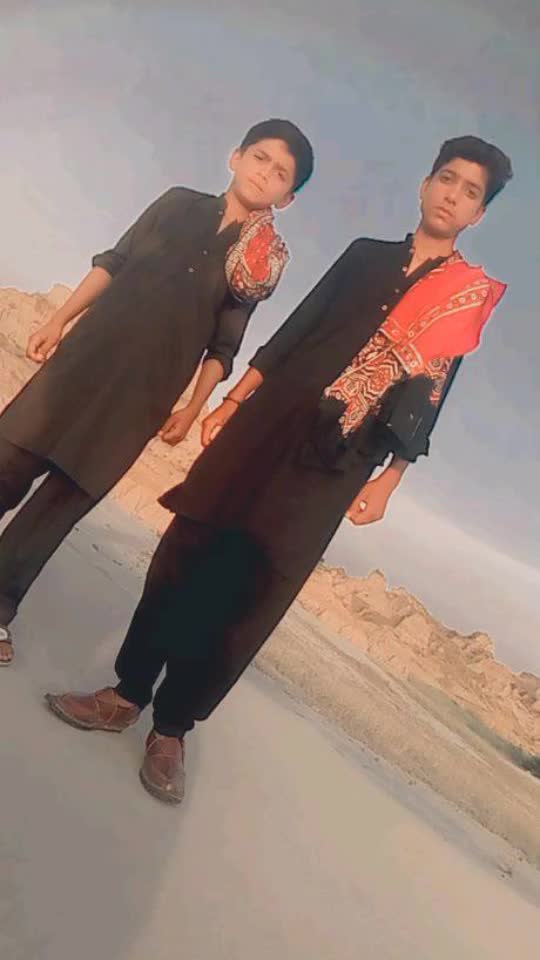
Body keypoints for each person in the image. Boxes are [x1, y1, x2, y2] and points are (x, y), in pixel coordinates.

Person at [47, 136, 513, 804]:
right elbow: (298, 328)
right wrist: (234, 400)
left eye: (470, 192)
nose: (452, 196)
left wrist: (390, 477)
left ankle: (173, 727)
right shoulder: (365, 256)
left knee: (251, 591)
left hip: (340, 459)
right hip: (267, 421)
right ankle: (126, 693)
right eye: (447, 179)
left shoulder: (460, 298)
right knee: (186, 549)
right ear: (424, 185)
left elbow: (430, 393)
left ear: (479, 213)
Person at [0, 118, 315, 666]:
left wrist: (193, 406)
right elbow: (114, 262)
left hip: (142, 399)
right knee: (7, 460)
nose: (265, 173)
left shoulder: (255, 266)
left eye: (281, 173)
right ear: (236, 156)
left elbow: (224, 345)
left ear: (287, 198)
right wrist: (59, 319)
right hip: (81, 364)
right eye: (260, 157)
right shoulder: (176, 203)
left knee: (61, 504)